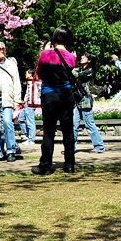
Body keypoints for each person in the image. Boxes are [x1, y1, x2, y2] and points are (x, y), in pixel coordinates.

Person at [32, 26, 77, 175]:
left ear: (54, 38)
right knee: (68, 131)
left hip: (49, 95)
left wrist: (44, 52)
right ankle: (69, 165)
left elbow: (37, 76)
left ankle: (45, 166)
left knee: (49, 131)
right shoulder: (71, 57)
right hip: (66, 94)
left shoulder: (45, 54)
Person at [72, 53, 106, 153]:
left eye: (84, 56)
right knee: (73, 125)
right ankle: (71, 148)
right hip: (76, 99)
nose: (82, 57)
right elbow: (72, 72)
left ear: (89, 60)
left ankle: (99, 146)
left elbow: (76, 74)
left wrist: (73, 60)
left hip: (86, 100)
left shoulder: (90, 71)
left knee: (89, 124)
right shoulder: (80, 69)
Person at [17, 69, 38, 146]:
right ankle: (29, 136)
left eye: (26, 73)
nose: (25, 75)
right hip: (26, 104)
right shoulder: (29, 83)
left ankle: (31, 139)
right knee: (20, 119)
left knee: (30, 122)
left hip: (30, 105)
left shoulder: (35, 83)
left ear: (30, 74)